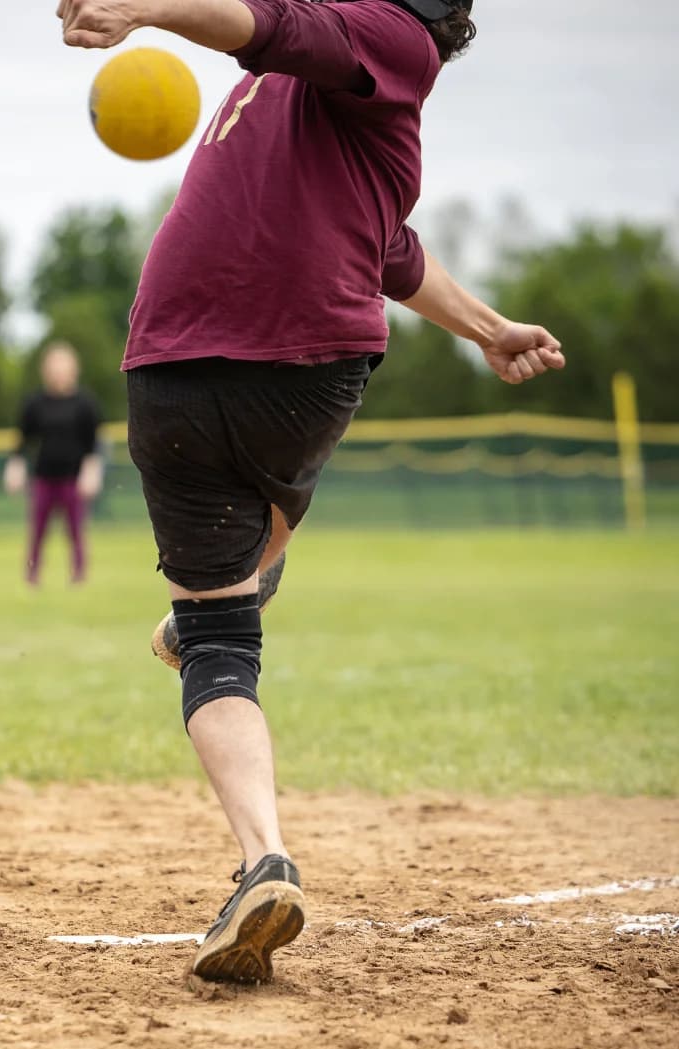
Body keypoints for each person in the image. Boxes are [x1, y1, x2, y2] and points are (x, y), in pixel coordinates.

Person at [58, 0, 566, 983]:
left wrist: (145, 8)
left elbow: (278, 25)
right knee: (217, 625)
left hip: (200, 361)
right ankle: (260, 854)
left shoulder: (387, 36)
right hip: (241, 366)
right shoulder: (315, 99)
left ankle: (261, 844)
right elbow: (390, 251)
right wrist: (489, 325)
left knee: (216, 634)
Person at [5, 342, 105, 585]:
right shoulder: (35, 402)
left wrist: (91, 473)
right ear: (45, 370)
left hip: (73, 476)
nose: (58, 371)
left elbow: (93, 444)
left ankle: (78, 575)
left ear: (74, 369)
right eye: (54, 365)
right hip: (44, 475)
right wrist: (15, 468)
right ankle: (32, 574)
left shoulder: (85, 403)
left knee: (75, 531)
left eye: (64, 365)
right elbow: (23, 441)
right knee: (37, 531)